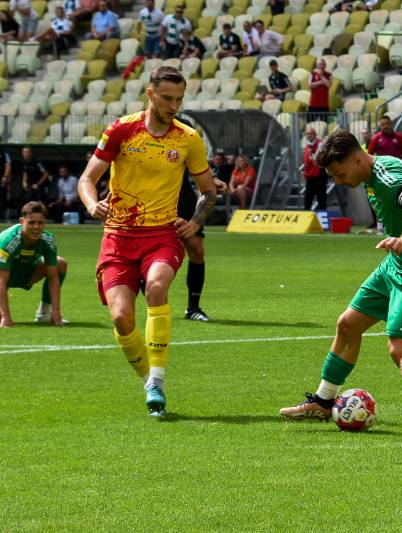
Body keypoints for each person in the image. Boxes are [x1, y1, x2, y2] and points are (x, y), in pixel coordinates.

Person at [278, 129, 402, 420]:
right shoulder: (379, 168)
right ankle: (324, 402)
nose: (338, 181)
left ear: (357, 158)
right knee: (347, 324)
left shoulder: (386, 175)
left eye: (339, 173)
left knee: (401, 346)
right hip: (395, 266)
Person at [77, 66, 217, 418]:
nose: (173, 105)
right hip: (118, 239)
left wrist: (196, 220)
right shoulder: (121, 129)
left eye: (179, 99)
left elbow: (209, 190)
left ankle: (157, 378)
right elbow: (87, 179)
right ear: (150, 94)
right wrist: (93, 204)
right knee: (122, 318)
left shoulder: (187, 138)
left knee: (157, 287)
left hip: (161, 237)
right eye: (167, 98)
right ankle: (147, 380)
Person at [0, 201, 67, 327]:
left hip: (24, 275)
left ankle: (44, 314)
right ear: (21, 221)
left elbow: (53, 277)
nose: (36, 227)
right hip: (4, 276)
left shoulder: (48, 240)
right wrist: (5, 317)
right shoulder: (8, 240)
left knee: (60, 263)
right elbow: (1, 280)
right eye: (31, 222)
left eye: (40, 222)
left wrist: (56, 313)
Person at [176, 168, 227, 322]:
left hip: (183, 199)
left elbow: (197, 162)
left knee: (197, 251)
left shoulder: (184, 142)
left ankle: (193, 308)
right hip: (154, 199)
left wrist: (213, 179)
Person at [303, 126, 326, 211]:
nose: (309, 135)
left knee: (321, 197)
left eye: (311, 134)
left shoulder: (320, 144)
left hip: (320, 175)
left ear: (315, 135)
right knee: (308, 198)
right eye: (307, 134)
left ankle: (323, 218)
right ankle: (306, 217)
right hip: (310, 176)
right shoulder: (308, 146)